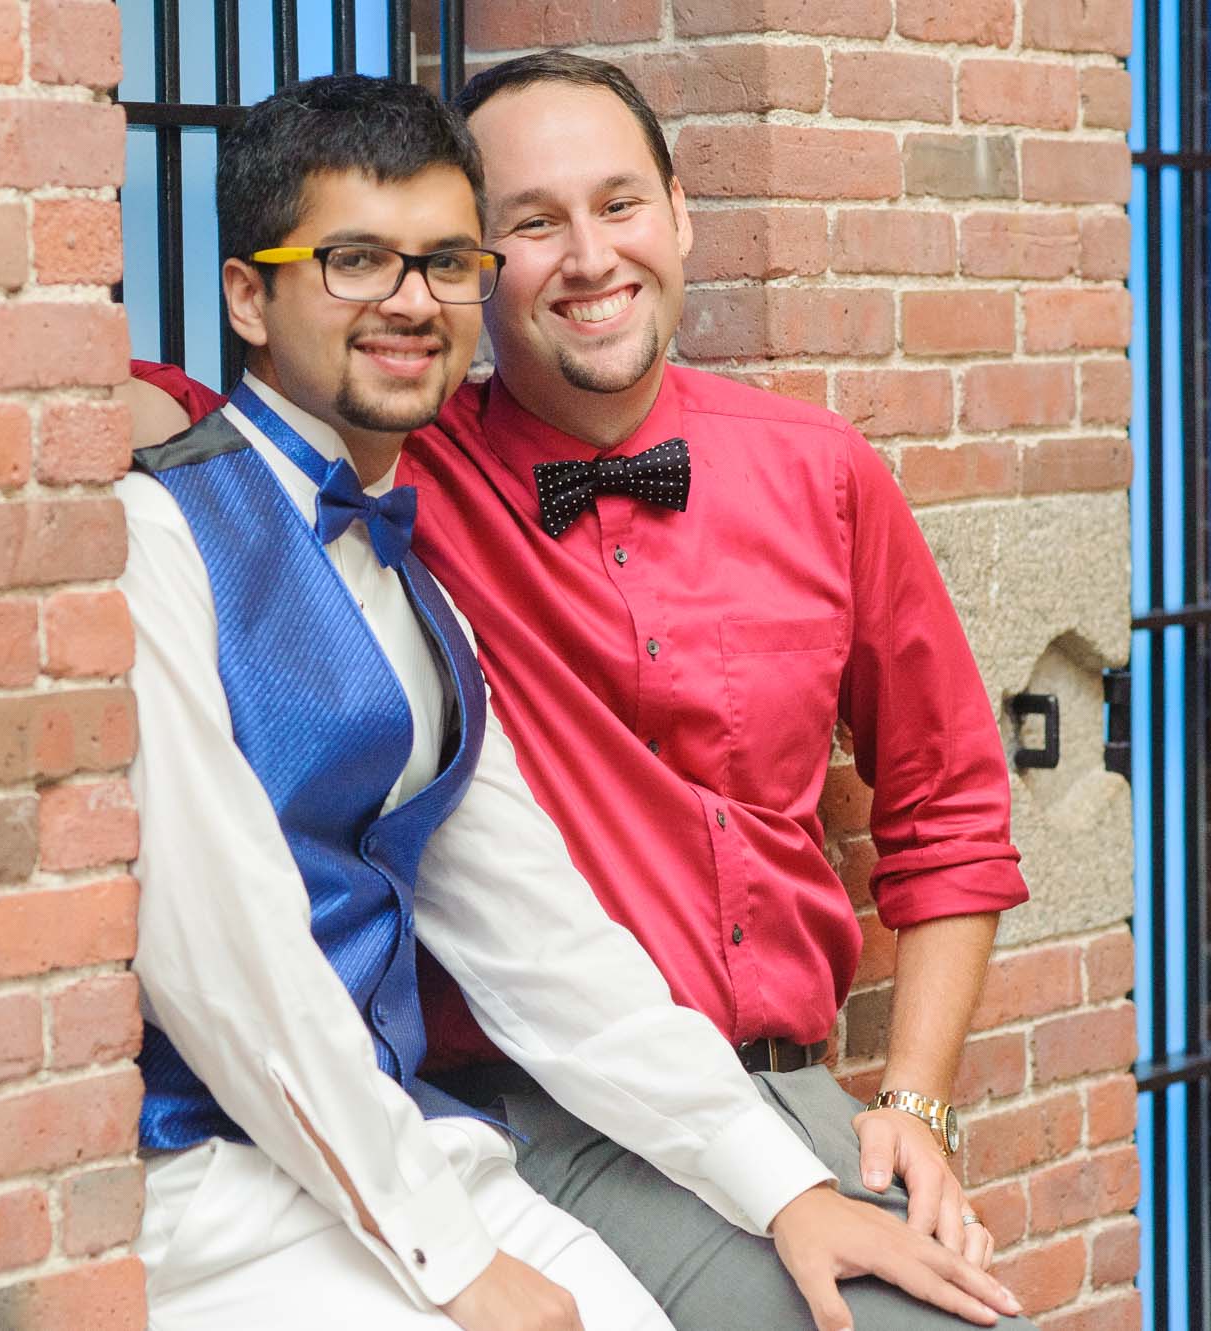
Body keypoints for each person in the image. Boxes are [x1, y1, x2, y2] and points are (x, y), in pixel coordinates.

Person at [125, 51, 1037, 1331]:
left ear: (679, 215)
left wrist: (856, 1140)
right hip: (334, 1132)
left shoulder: (416, 560)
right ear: (248, 296)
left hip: (695, 1089)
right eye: (530, 224)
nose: (408, 300)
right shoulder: (283, 504)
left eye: (441, 263)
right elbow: (235, 961)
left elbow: (539, 927)